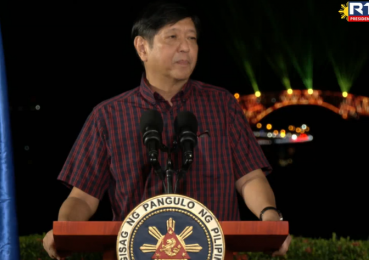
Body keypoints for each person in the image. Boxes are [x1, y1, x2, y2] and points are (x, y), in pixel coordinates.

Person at [42, 1, 291, 259]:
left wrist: (270, 216)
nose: (185, 47)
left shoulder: (222, 104)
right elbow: (82, 197)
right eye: (172, 37)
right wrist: (65, 231)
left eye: (192, 38)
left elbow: (250, 177)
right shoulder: (107, 116)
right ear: (142, 48)